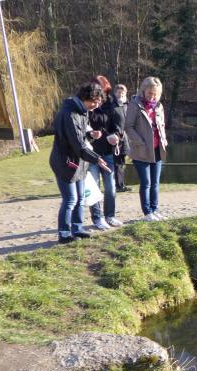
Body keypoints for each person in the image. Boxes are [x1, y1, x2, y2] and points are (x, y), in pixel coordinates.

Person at [49, 82, 110, 244]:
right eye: (94, 102)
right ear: (85, 97)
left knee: (81, 198)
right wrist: (96, 158)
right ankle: (64, 233)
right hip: (65, 162)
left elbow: (81, 137)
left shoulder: (82, 111)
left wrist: (90, 135)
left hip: (80, 161)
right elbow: (77, 144)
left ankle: (77, 228)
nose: (96, 106)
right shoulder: (69, 114)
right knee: (70, 199)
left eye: (98, 103)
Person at [125, 76, 168, 221]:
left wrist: (164, 139)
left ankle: (155, 209)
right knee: (146, 183)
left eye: (156, 94)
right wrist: (140, 142)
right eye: (150, 93)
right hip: (141, 151)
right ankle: (147, 212)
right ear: (143, 91)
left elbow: (162, 126)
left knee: (155, 183)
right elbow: (128, 127)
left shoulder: (159, 106)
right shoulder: (134, 105)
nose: (152, 96)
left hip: (157, 149)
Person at [87, 75, 124, 229]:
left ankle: (110, 216)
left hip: (108, 152)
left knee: (110, 187)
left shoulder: (111, 105)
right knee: (94, 186)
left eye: (103, 91)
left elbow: (119, 126)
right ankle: (97, 218)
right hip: (90, 153)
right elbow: (83, 128)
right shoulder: (87, 106)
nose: (100, 94)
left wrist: (116, 136)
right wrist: (93, 134)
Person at [111, 84, 131, 193]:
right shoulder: (111, 106)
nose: (121, 94)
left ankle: (121, 184)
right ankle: (118, 186)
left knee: (122, 162)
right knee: (117, 162)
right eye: (119, 92)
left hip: (126, 138)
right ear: (115, 93)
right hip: (116, 138)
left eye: (123, 93)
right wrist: (116, 133)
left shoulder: (127, 105)